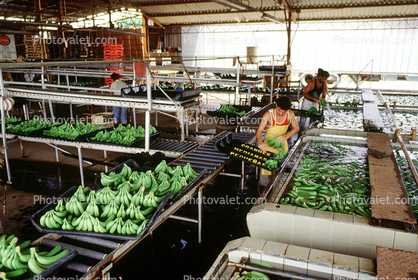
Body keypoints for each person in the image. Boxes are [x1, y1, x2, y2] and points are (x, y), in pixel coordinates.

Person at [257, 96, 299, 188]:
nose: (280, 113)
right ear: (276, 105)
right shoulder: (268, 115)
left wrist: (286, 136)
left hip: (282, 147)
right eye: (279, 110)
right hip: (268, 147)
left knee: (280, 173)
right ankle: (263, 192)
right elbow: (259, 130)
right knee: (266, 173)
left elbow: (296, 128)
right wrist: (261, 143)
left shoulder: (290, 114)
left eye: (283, 112)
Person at [299, 68, 329, 133]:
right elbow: (304, 94)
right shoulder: (312, 83)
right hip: (307, 102)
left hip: (315, 102)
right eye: (323, 79)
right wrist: (313, 99)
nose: (324, 80)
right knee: (303, 119)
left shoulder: (324, 85)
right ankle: (300, 132)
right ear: (320, 77)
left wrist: (323, 101)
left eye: (325, 79)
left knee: (314, 118)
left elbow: (323, 95)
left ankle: (310, 131)